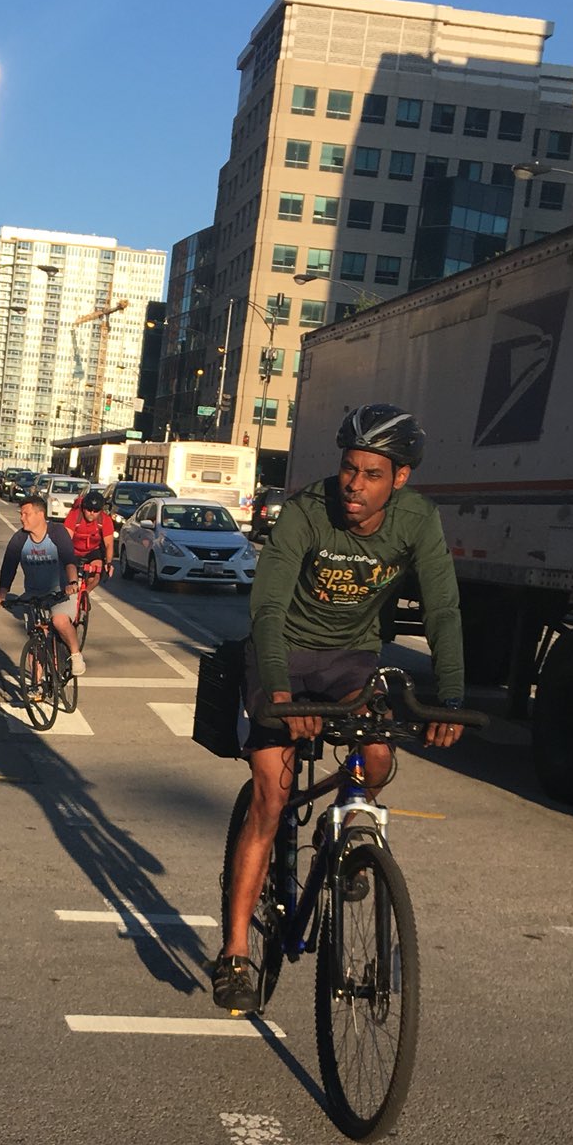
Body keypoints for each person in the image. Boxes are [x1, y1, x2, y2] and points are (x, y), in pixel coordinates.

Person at [213, 402, 467, 1013]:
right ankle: (235, 953)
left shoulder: (417, 520)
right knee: (272, 794)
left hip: (352, 657)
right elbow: (268, 610)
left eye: (372, 474)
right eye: (349, 469)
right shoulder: (305, 511)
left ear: (400, 477)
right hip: (283, 654)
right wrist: (278, 693)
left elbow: (442, 611)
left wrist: (451, 699)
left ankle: (352, 833)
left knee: (375, 761)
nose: (354, 485)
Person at [0, 495, 86, 675]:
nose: (22, 518)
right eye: (21, 514)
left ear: (40, 514)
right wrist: (2, 595)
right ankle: (36, 685)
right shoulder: (19, 539)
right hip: (34, 595)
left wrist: (73, 583)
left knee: (59, 620)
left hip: (61, 592)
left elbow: (69, 560)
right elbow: (8, 567)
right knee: (36, 636)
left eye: (26, 514)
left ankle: (75, 655)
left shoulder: (57, 532)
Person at [65, 488, 115, 589]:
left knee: (96, 575)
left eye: (96, 510)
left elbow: (109, 544)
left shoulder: (105, 519)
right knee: (69, 575)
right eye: (89, 509)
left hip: (93, 551)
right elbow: (65, 540)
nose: (92, 513)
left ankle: (85, 596)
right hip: (73, 550)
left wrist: (109, 562)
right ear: (83, 508)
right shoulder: (74, 516)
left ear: (101, 510)